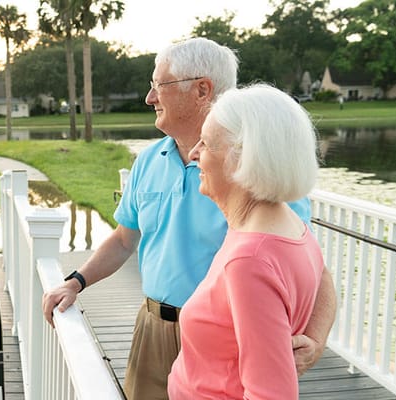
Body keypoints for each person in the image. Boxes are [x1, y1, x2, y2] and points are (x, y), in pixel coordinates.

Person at [41, 38, 336, 400]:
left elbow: (312, 267)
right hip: (153, 328)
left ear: (201, 89)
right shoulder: (148, 161)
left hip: (229, 342)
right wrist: (75, 282)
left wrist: (317, 339)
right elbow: (122, 241)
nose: (150, 98)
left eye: (158, 85)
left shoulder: (257, 180)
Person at [168, 83, 327, 399]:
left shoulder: (250, 259)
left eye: (208, 144)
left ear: (243, 158)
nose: (195, 153)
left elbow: (270, 394)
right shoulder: (285, 223)